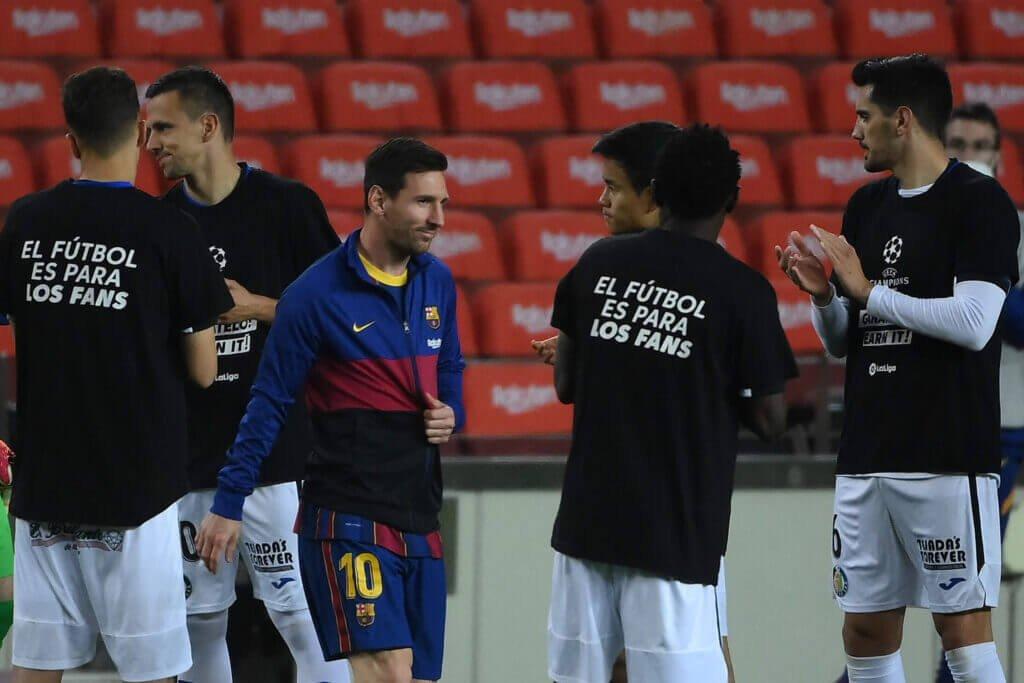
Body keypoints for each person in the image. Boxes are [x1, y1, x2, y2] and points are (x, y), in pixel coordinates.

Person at [779, 55, 1019, 683]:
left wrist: (866, 291)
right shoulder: (865, 206)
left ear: (903, 120)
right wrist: (825, 296)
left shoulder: (981, 202)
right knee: (864, 631)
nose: (855, 131)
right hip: (866, 456)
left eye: (865, 116)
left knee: (962, 633)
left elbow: (975, 323)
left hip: (945, 456)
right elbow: (845, 342)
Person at [194, 137, 464, 683]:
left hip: (419, 510)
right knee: (386, 670)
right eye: (423, 203)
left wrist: (451, 412)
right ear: (378, 200)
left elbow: (451, 365)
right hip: (347, 515)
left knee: (416, 676)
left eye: (443, 203)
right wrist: (229, 501)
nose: (437, 218)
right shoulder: (313, 295)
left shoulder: (437, 280)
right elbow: (268, 404)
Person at [0, 66, 232, 683]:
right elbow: (206, 371)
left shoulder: (25, 221)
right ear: (136, 128)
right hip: (136, 489)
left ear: (70, 140)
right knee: (151, 672)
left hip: (45, 487)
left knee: (36, 667)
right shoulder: (169, 230)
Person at [547, 123, 796, 683]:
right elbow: (771, 419)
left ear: (657, 191)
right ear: (731, 201)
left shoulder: (596, 263)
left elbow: (567, 385)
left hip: (585, 530)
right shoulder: (743, 291)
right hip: (675, 538)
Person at [144, 65, 349, 683]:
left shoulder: (288, 208)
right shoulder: (158, 223)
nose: (150, 144)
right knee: (199, 618)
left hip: (276, 453)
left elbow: (342, 320)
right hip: (189, 453)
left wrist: (254, 306)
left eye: (162, 128)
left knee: (299, 612)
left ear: (208, 126)